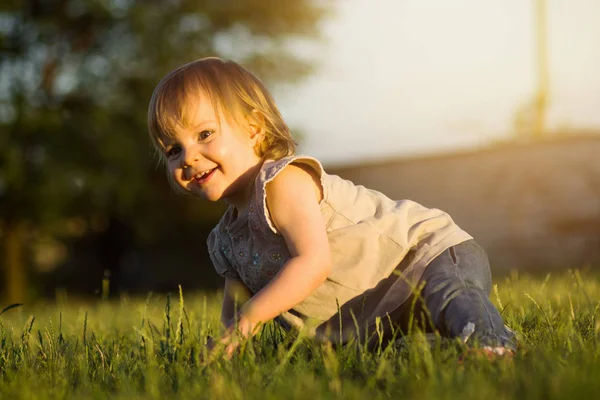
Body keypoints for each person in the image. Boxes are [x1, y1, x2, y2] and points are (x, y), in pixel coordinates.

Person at [147, 57, 517, 357]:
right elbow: (236, 306)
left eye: (204, 134)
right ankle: (445, 342)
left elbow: (313, 262)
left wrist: (249, 321)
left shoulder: (283, 184)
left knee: (449, 294)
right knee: (407, 347)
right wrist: (230, 343)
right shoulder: (225, 240)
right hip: (380, 311)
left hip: (425, 255)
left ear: (254, 129)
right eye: (173, 149)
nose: (189, 157)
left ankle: (491, 343)